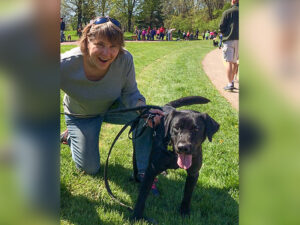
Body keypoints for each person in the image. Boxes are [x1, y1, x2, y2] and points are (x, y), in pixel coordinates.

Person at [60, 17, 163, 192]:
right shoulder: (65, 64)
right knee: (90, 168)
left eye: (114, 46)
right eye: (100, 44)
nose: (107, 53)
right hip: (82, 115)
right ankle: (71, 135)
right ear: (86, 41)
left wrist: (144, 110)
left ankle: (144, 172)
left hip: (113, 108)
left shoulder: (125, 60)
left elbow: (131, 94)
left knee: (145, 116)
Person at [219, 0, 239, 91]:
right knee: (235, 62)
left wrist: (225, 33)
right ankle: (233, 79)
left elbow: (221, 26)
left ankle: (230, 83)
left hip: (229, 39)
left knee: (229, 62)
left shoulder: (227, 12)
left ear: (233, 1)